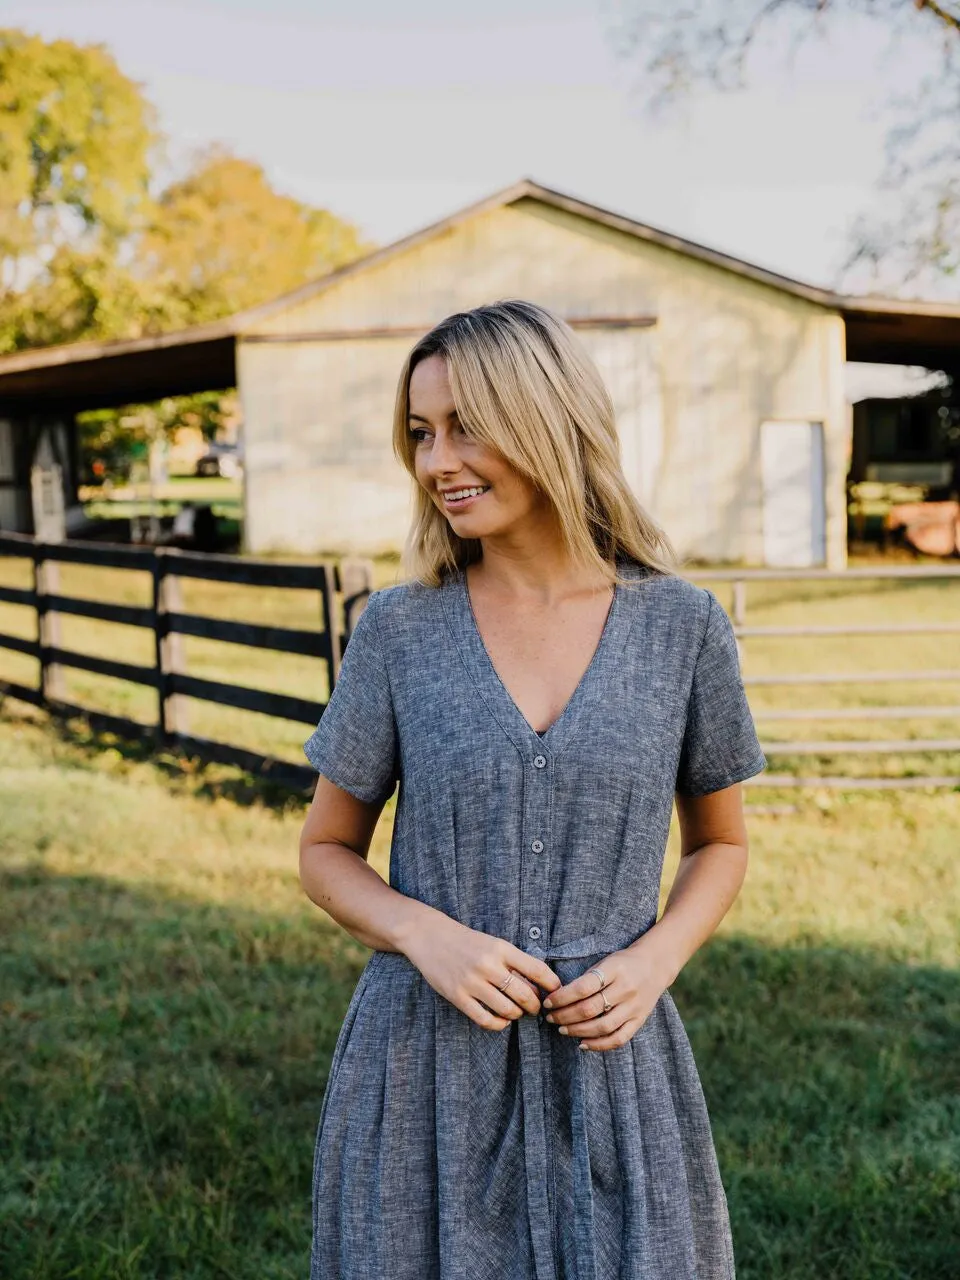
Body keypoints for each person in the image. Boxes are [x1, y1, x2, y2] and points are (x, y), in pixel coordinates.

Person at [298, 300, 767, 1280]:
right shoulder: (400, 630)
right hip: (423, 1061)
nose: (437, 461)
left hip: (612, 1053)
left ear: (549, 418)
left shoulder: (683, 626)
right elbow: (324, 849)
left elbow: (721, 842)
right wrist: (426, 933)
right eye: (422, 433)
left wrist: (654, 961)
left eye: (466, 424)